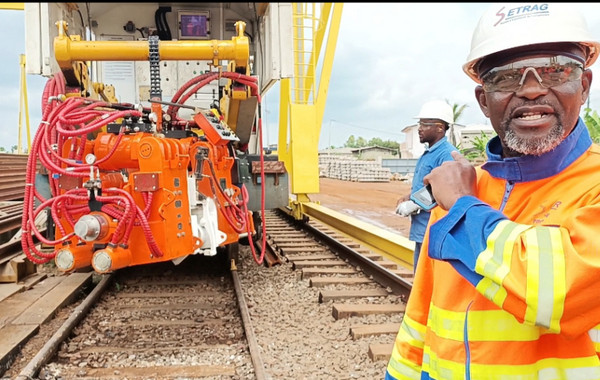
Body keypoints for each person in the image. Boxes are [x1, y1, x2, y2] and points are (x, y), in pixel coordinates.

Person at [386, 3, 600, 379]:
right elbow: (419, 320)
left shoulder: (460, 201)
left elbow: (562, 294)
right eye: (505, 78)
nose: (532, 89)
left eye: (555, 69)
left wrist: (465, 210)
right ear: (484, 101)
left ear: (583, 86)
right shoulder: (461, 193)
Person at [396, 100, 457, 271]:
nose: (419, 129)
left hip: (434, 231)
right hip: (422, 229)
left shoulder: (447, 154)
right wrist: (410, 197)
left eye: (424, 124)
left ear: (439, 127)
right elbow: (428, 183)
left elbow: (447, 186)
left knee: (431, 277)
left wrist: (416, 203)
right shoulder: (430, 153)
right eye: (419, 124)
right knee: (421, 277)